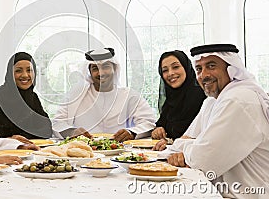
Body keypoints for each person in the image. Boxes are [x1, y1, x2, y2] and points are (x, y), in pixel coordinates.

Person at [166, 44, 269, 198]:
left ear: (231, 69)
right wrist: (191, 146)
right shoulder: (212, 101)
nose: (204, 75)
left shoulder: (239, 99)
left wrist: (187, 148)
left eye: (211, 66)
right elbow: (186, 140)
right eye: (199, 69)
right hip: (217, 191)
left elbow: (202, 161)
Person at [52, 47, 156, 142]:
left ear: (114, 69)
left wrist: (131, 132)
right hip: (84, 152)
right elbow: (57, 123)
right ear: (89, 72)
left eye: (105, 67)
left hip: (121, 151)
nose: (101, 73)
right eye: (95, 68)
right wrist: (72, 132)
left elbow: (148, 122)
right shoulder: (75, 95)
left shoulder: (130, 96)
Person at [0, 52, 52, 139]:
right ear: (10, 74)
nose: (25, 75)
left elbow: (46, 129)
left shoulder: (33, 98)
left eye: (29, 70)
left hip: (31, 150)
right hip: (2, 150)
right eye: (18, 71)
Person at [151, 50, 206, 150]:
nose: (170, 73)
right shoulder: (170, 100)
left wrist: (169, 141)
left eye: (175, 67)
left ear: (186, 67)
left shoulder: (201, 96)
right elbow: (162, 124)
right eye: (165, 70)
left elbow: (196, 134)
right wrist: (158, 130)